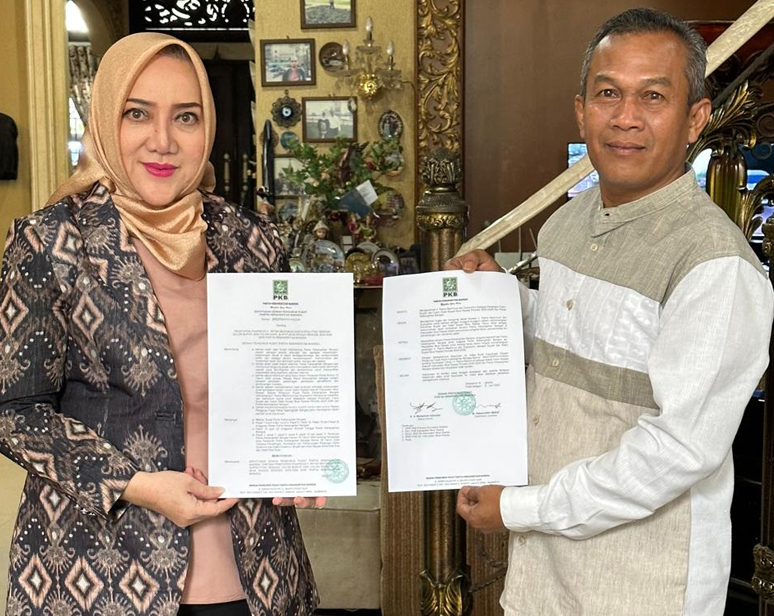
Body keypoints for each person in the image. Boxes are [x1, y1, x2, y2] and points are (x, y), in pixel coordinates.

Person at [448, 8, 774, 615]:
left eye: (654, 96)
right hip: (542, 578)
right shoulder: (569, 222)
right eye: (607, 94)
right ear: (581, 111)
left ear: (695, 118)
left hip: (642, 583)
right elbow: (574, 343)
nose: (626, 117)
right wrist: (502, 302)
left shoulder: (714, 264)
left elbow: (677, 451)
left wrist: (519, 507)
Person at [0, 33, 321, 616]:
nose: (163, 141)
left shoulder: (251, 241)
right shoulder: (51, 241)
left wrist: (303, 454)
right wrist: (138, 484)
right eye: (137, 113)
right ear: (105, 120)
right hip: (99, 573)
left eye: (186, 116)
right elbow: (14, 411)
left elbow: (281, 383)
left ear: (209, 128)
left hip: (256, 571)